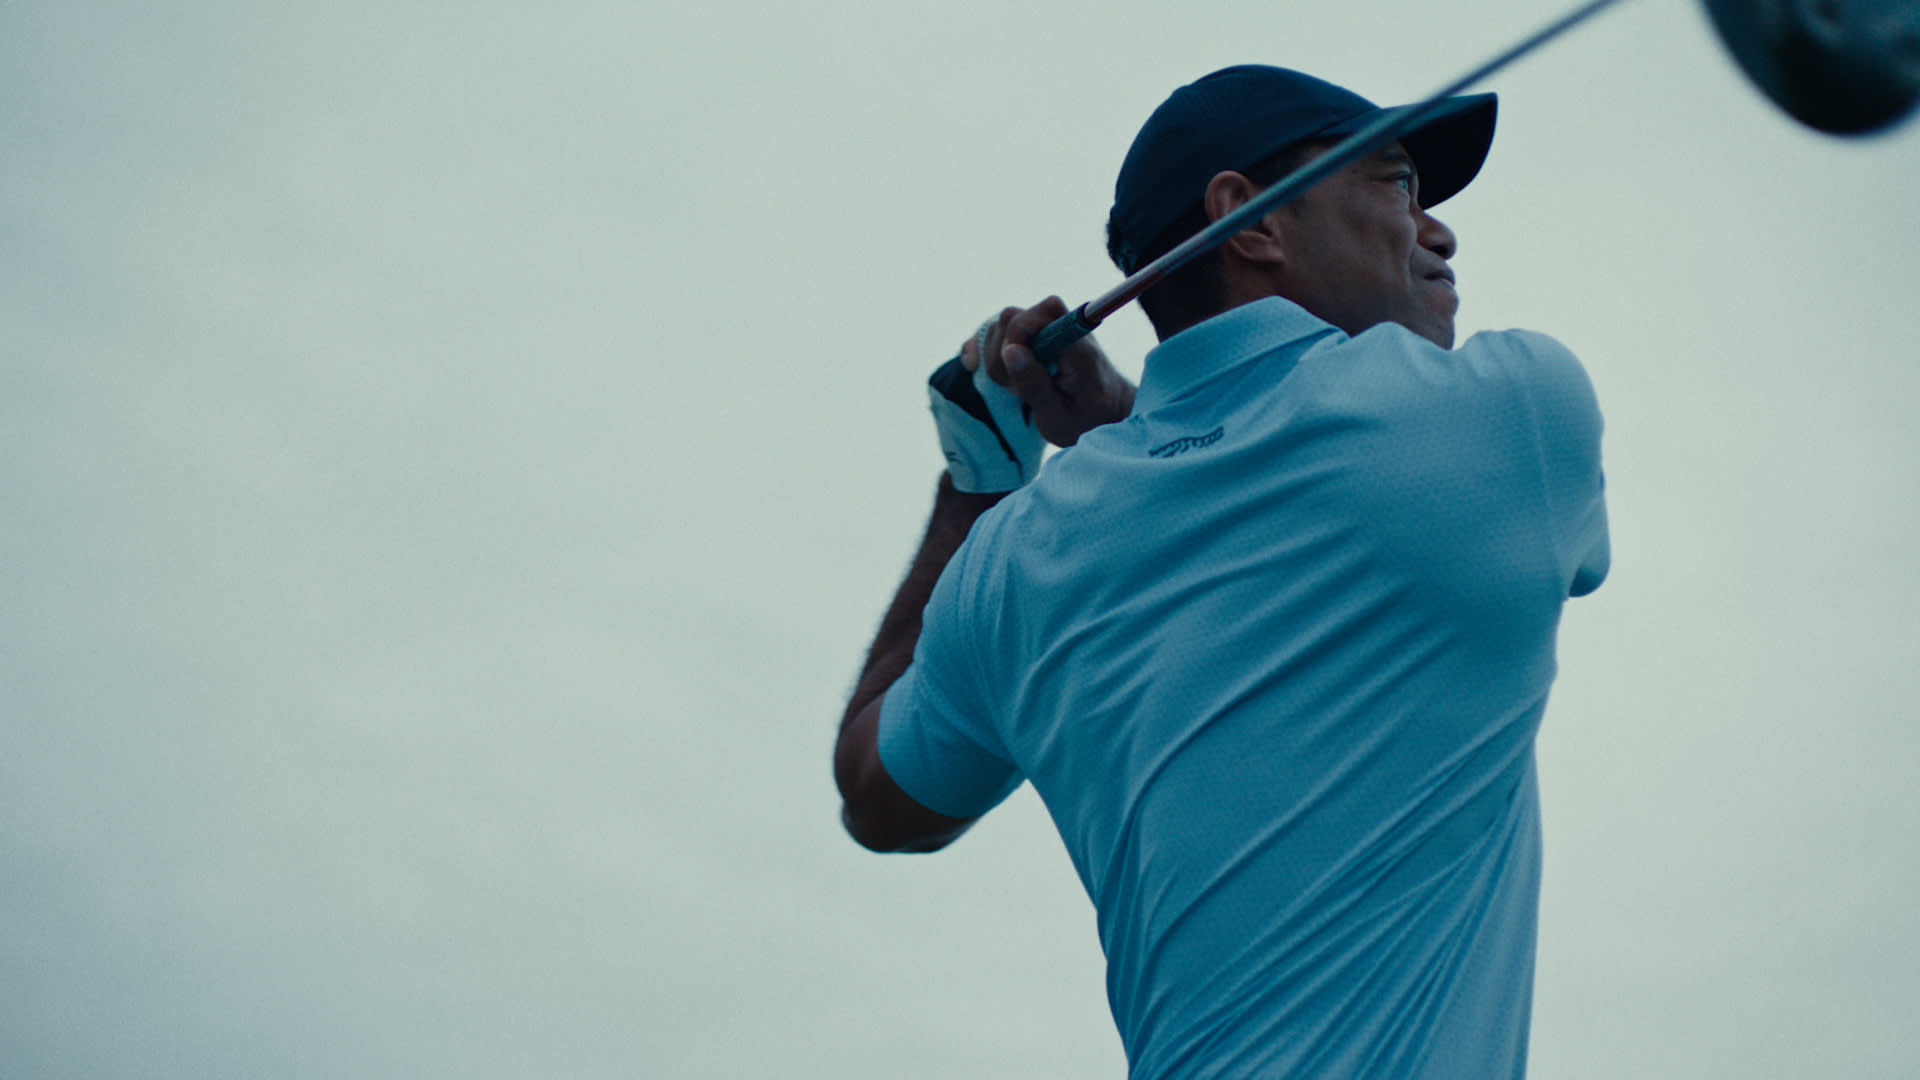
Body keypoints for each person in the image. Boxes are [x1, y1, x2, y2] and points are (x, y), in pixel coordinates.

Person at [833, 64, 1610, 1079]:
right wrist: (1120, 426)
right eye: (1397, 184)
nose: (1438, 230)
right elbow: (1281, 481)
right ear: (1252, 222)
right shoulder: (1514, 413)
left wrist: (980, 484)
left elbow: (876, 796)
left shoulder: (1021, 557)